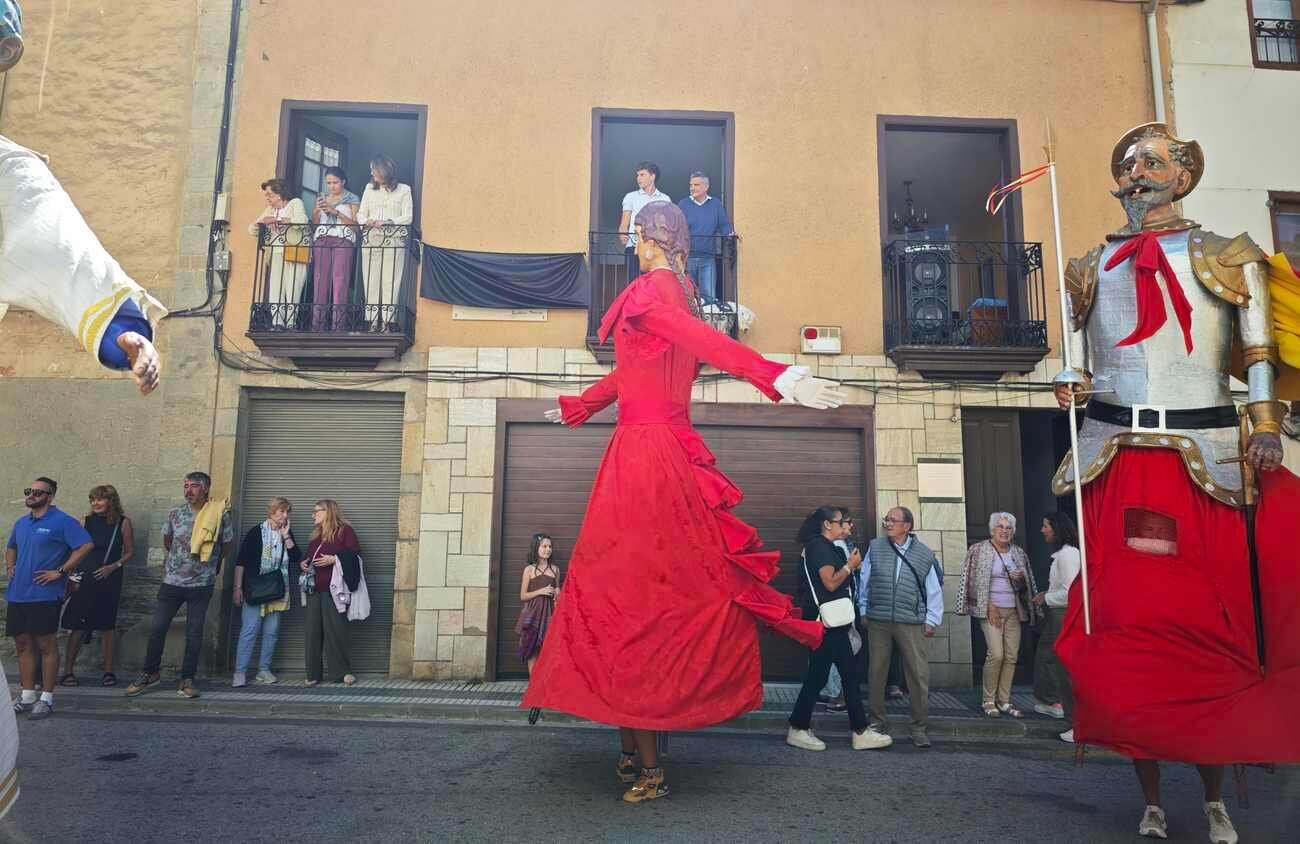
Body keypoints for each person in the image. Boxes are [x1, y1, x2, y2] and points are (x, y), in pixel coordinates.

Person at [523, 201, 843, 803]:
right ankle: (633, 750)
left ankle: (646, 764)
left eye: (637, 233)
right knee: (642, 592)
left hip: (646, 454)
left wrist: (774, 373)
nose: (632, 241)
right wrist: (582, 405)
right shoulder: (675, 294)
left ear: (652, 238)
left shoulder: (654, 292)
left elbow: (698, 342)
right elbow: (632, 375)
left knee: (631, 595)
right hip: (654, 445)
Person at [1053, 122, 1300, 843]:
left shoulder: (1229, 255)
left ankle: (1217, 794)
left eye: (1152, 163)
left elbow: (1256, 349)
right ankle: (1152, 794)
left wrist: (1262, 425)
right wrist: (1071, 384)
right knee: (1129, 634)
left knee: (1212, 629)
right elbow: (1087, 359)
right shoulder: (1089, 265)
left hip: (1207, 458)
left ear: (1183, 176)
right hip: (1115, 450)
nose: (1136, 175)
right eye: (1127, 164)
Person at [1, 134, 165, 394]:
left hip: (20, 179)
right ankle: (121, 334)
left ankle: (122, 334)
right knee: (64, 257)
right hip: (24, 179)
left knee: (60, 252)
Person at [787, 506, 890, 752]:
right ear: (827, 524)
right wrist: (850, 565)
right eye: (840, 521)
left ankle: (803, 727)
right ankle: (856, 730)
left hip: (831, 623)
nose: (845, 525)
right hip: (826, 623)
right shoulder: (819, 547)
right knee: (842, 676)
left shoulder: (825, 546)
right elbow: (830, 583)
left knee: (829, 675)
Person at [126, 472, 233, 700]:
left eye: (194, 486)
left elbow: (226, 545)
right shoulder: (175, 514)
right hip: (172, 583)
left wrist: (212, 565)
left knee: (194, 633)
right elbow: (168, 541)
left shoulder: (219, 515)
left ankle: (187, 679)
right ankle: (149, 672)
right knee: (157, 628)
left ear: (205, 489)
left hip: (202, 584)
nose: (188, 490)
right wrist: (177, 563)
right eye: (185, 486)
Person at [5, 477, 93, 719]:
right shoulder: (22, 523)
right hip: (18, 594)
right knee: (22, 645)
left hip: (44, 595)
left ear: (50, 496)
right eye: (29, 491)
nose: (31, 495)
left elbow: (85, 546)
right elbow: (11, 546)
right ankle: (26, 696)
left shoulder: (63, 521)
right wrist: (10, 566)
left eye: (38, 492)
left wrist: (61, 571)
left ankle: (46, 698)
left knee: (46, 646)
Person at [863, 506, 943, 748]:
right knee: (876, 672)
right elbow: (864, 580)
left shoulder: (924, 554)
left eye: (892, 520)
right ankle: (876, 722)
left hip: (911, 621)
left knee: (918, 674)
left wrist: (931, 620)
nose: (887, 523)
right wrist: (862, 610)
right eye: (886, 519)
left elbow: (934, 591)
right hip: (878, 619)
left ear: (907, 526)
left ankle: (918, 727)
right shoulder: (875, 547)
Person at [955, 512, 1040, 718]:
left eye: (1008, 528)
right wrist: (988, 604)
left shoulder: (1019, 553)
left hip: (1013, 610)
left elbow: (1026, 585)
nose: (1004, 531)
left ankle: (1004, 700)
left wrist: (1020, 580)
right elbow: (971, 581)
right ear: (992, 530)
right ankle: (988, 700)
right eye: (1000, 527)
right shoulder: (978, 550)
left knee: (1011, 656)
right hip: (991, 610)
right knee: (997, 653)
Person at [59, 485, 133, 688]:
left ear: (111, 501)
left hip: (109, 577)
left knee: (107, 625)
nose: (95, 503)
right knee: (77, 625)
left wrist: (113, 566)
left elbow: (129, 552)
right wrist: (71, 574)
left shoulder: (123, 523)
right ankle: (68, 672)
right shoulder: (85, 521)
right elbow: (72, 548)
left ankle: (108, 671)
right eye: (92, 500)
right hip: (85, 577)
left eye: (100, 499)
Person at [231, 497, 302, 687]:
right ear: (271, 512)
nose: (285, 515)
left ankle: (264, 669)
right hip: (254, 590)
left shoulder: (286, 533)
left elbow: (296, 557)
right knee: (249, 630)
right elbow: (241, 561)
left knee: (271, 632)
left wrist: (286, 536)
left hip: (278, 590)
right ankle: (240, 672)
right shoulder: (256, 532)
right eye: (281, 511)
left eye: (287, 512)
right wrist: (237, 588)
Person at [1029, 512, 1080, 740]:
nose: (1042, 530)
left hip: (1063, 614)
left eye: (1046, 525)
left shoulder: (1067, 555)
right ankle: (1049, 701)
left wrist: (1045, 599)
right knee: (1047, 656)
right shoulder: (1065, 554)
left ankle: (1074, 721)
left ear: (1057, 528)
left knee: (1062, 666)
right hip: (1058, 613)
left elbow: (1071, 593)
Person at [302, 499, 360, 686]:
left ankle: (341, 672)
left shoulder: (345, 531)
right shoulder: (316, 535)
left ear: (328, 512)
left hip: (334, 590)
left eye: (316, 511)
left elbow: (355, 555)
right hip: (314, 590)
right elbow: (308, 557)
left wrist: (334, 559)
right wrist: (302, 563)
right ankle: (312, 674)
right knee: (312, 632)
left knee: (336, 630)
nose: (313, 515)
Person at [357, 155, 414, 331]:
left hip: (393, 240)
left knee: (391, 280)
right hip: (371, 239)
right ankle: (372, 321)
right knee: (371, 279)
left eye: (373, 169)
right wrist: (367, 221)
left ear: (383, 170)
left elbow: (408, 217)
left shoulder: (404, 190)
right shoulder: (369, 188)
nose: (371, 172)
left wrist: (389, 221)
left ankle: (388, 322)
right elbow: (360, 214)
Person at [249, 178, 310, 328]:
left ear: (279, 194)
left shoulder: (295, 203)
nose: (267, 198)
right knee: (276, 289)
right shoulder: (269, 210)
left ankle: (290, 323)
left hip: (295, 251)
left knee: (293, 288)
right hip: (276, 253)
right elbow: (251, 229)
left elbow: (302, 221)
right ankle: (277, 322)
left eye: (269, 194)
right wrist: (262, 222)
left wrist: (278, 220)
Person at [309, 166, 361, 331]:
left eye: (335, 182)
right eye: (329, 183)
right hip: (322, 239)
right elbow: (315, 224)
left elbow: (355, 227)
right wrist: (317, 210)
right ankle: (318, 325)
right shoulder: (322, 198)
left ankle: (339, 325)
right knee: (319, 282)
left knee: (340, 281)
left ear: (343, 182)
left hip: (343, 240)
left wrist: (335, 212)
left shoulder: (353, 199)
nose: (331, 186)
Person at [677, 171, 737, 303]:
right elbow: (677, 228)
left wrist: (731, 234)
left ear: (706, 187)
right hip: (688, 259)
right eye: (691, 185)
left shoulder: (715, 204)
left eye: (696, 184)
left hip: (708, 258)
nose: (692, 188)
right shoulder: (683, 204)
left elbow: (724, 225)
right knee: (688, 298)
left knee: (708, 298)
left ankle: (706, 324)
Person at [617, 161, 670, 283]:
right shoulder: (630, 196)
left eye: (642, 175)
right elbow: (625, 221)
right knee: (634, 283)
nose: (638, 178)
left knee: (654, 283)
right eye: (637, 175)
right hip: (634, 246)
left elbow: (666, 225)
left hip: (655, 248)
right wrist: (622, 233)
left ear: (652, 176)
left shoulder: (665, 198)